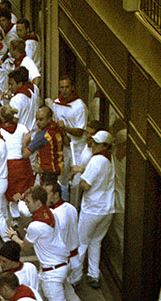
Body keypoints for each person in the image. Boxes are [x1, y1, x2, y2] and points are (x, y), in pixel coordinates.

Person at [7, 186, 88, 301]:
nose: (27, 205)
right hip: (59, 266)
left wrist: (14, 236)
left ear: (38, 202)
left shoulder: (36, 225)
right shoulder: (50, 213)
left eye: (28, 202)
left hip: (52, 272)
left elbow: (25, 247)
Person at [76, 130, 115, 289]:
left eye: (97, 143)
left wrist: (80, 177)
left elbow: (85, 185)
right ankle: (94, 275)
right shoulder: (110, 159)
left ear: (104, 146)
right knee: (95, 242)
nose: (93, 144)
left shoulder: (96, 160)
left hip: (92, 208)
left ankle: (75, 277)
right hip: (107, 208)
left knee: (81, 243)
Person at [43, 180, 86, 301]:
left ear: (56, 194)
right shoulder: (70, 207)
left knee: (52, 288)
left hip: (62, 260)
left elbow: (54, 239)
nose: (44, 197)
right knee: (65, 286)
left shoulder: (57, 215)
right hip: (73, 257)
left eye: (46, 194)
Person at [53, 75, 88, 208]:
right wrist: (63, 135)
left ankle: (74, 207)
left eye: (67, 87)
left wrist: (65, 129)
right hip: (65, 147)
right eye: (62, 87)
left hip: (78, 149)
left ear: (72, 87)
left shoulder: (79, 106)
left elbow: (79, 131)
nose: (64, 90)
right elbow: (57, 125)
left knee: (76, 182)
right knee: (62, 178)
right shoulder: (56, 103)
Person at [0, 104, 33, 223]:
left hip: (9, 165)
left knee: (11, 192)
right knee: (23, 189)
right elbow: (29, 139)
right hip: (22, 164)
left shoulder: (0, 131)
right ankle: (26, 209)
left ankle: (14, 218)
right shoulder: (22, 128)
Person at [22, 107, 64, 179]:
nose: (37, 122)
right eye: (36, 119)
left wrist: (24, 142)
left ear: (49, 119)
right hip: (60, 170)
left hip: (47, 173)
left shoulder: (43, 135)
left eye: (41, 119)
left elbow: (25, 155)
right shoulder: (57, 128)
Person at [0, 8, 18, 106]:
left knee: (10, 83)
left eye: (4, 20)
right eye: (0, 21)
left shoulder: (15, 30)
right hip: (7, 59)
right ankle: (3, 102)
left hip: (14, 60)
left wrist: (3, 59)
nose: (2, 23)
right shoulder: (3, 30)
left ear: (9, 20)